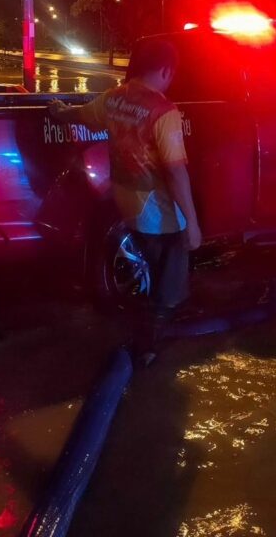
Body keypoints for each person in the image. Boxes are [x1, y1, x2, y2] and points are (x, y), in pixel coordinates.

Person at [50, 38, 201, 365]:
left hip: (126, 201)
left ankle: (145, 328)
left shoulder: (114, 98)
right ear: (166, 70)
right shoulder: (164, 112)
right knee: (169, 286)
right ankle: (148, 349)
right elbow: (176, 173)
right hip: (158, 212)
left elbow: (82, 115)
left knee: (153, 270)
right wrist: (192, 223)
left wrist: (60, 111)